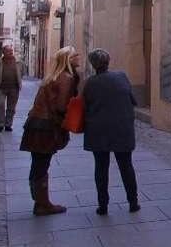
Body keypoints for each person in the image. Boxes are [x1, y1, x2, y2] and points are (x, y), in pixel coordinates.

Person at [20, 46, 80, 216]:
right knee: (42, 164)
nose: (78, 57)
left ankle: (40, 201)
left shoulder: (52, 77)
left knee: (37, 164)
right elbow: (61, 106)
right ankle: (43, 204)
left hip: (35, 124)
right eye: (75, 55)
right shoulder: (66, 78)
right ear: (68, 60)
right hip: (46, 128)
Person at [82, 49, 140, 215]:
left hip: (98, 130)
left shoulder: (90, 83)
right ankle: (133, 202)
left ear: (93, 65)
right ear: (108, 61)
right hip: (122, 129)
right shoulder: (121, 76)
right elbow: (133, 100)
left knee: (101, 168)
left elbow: (85, 106)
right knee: (126, 166)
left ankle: (103, 205)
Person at [0, 45, 22, 132]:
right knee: (0, 105)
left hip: (14, 88)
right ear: (3, 52)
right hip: (1, 88)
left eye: (11, 51)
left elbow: (21, 73)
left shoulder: (18, 62)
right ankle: (0, 124)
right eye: (8, 51)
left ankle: (8, 124)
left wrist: (18, 82)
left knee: (11, 107)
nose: (11, 53)